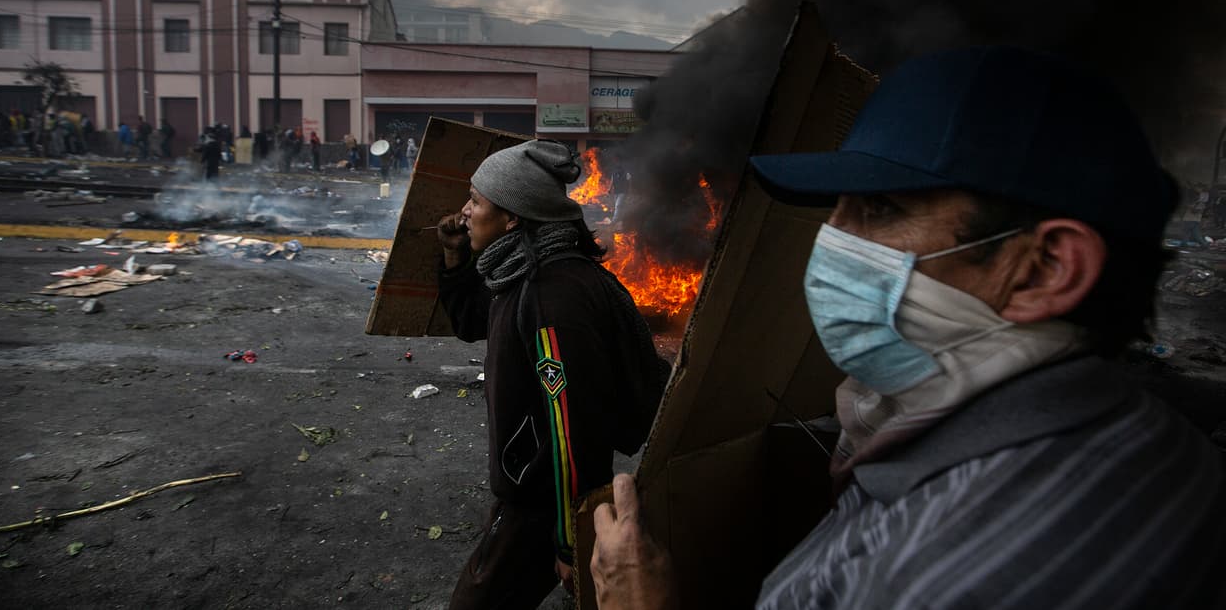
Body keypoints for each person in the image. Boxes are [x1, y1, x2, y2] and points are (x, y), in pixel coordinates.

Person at [590, 47, 1226, 609]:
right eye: (835, 210)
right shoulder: (1146, 446)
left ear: (1047, 268)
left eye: (881, 209)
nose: (831, 241)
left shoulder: (951, 570)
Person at [435, 139, 669, 610]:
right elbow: (470, 324)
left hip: (542, 504)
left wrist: (568, 539)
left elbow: (572, 426)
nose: (463, 212)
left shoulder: (552, 296)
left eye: (476, 201)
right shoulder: (519, 270)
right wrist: (455, 260)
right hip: (533, 491)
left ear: (513, 217)